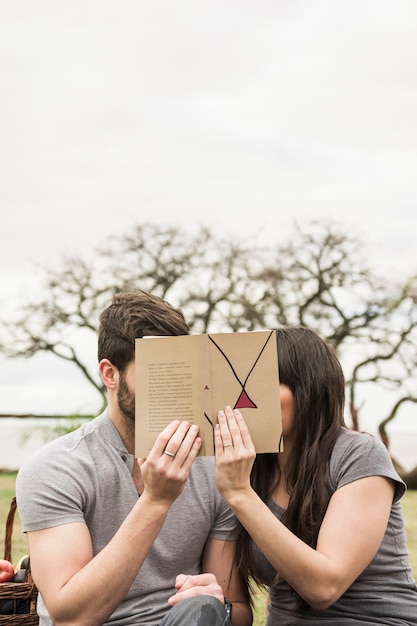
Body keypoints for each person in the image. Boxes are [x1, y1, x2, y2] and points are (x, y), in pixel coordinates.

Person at [16, 290, 252, 626]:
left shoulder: (212, 469)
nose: (173, 388)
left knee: (207, 609)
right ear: (109, 374)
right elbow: (71, 617)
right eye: (158, 374)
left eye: (181, 371)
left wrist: (220, 603)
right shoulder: (55, 469)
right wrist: (156, 500)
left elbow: (241, 613)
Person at [214, 326, 417, 625]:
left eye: (265, 382)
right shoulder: (246, 468)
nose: (246, 396)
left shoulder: (358, 454)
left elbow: (324, 587)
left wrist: (240, 494)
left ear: (308, 389)